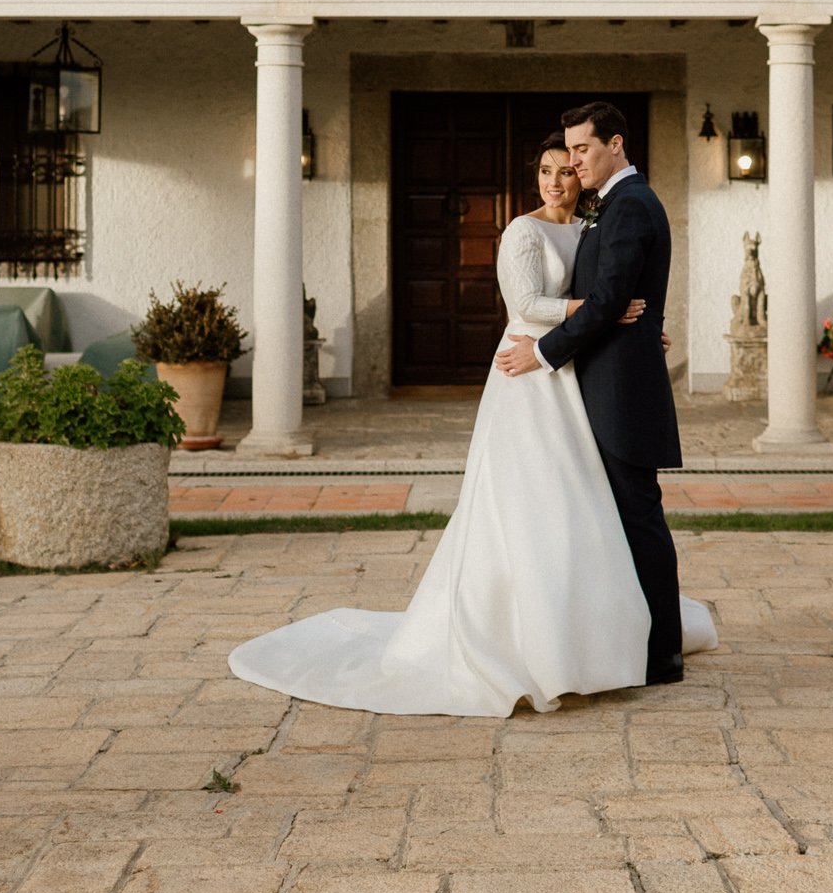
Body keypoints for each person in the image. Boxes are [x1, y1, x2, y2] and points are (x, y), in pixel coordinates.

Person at [228, 122, 715, 715]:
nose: (558, 180)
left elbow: (620, 285)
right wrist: (595, 311)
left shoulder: (594, 224)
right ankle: (528, 638)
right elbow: (528, 304)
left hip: (572, 378)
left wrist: (635, 329)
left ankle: (594, 631)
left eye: (568, 167)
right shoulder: (521, 230)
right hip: (529, 375)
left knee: (584, 507)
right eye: (547, 170)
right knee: (529, 506)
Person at [493, 100, 690, 685]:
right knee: (606, 517)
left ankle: (662, 654)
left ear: (617, 145)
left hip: (618, 390)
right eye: (567, 152)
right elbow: (607, 301)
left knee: (638, 516)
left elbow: (608, 303)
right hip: (594, 382)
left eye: (582, 150)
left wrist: (544, 351)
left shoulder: (629, 206)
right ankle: (620, 637)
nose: (573, 164)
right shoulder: (612, 206)